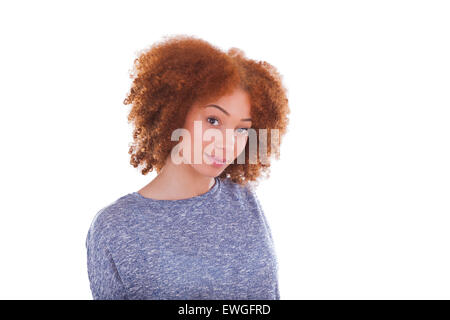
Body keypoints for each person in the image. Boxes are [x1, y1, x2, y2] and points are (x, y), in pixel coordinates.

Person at [85, 34, 290, 300]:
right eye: (213, 120)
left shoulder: (243, 198)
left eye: (241, 129)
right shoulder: (116, 227)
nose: (227, 143)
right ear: (175, 112)